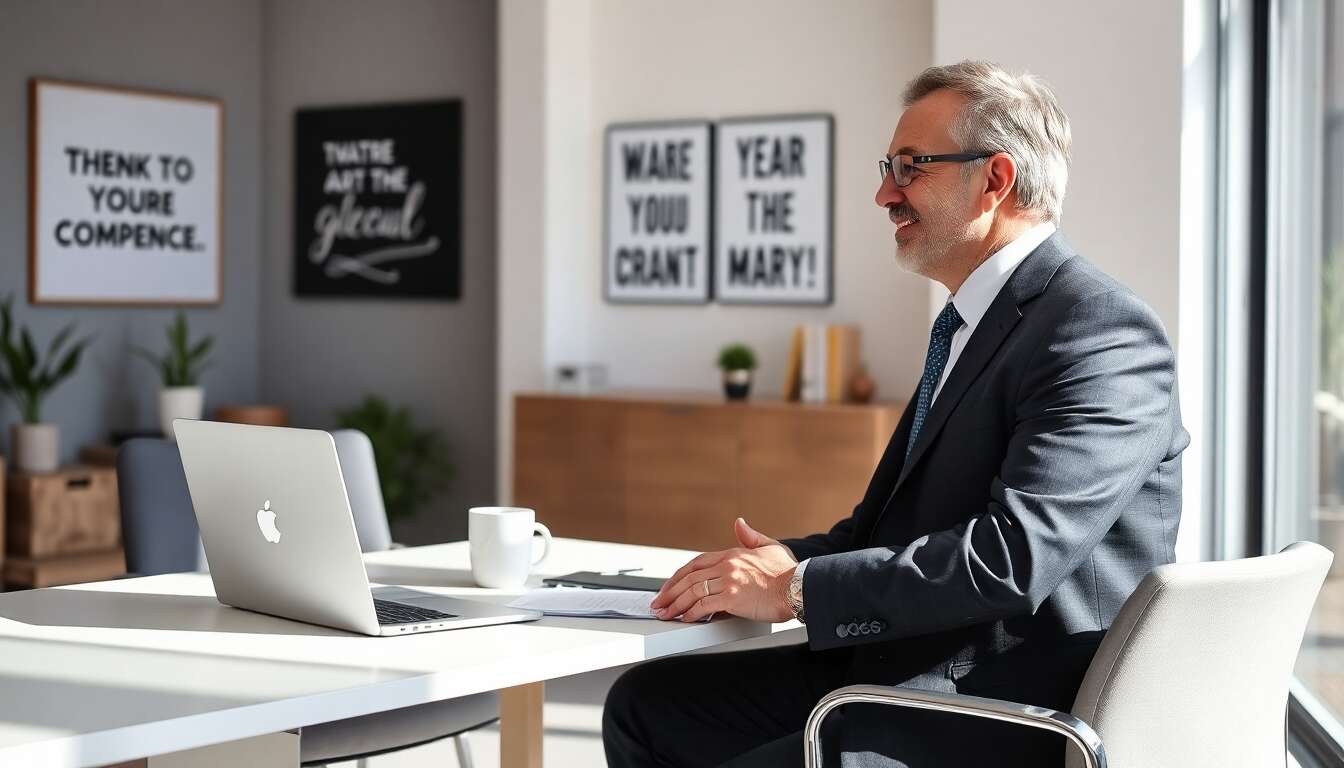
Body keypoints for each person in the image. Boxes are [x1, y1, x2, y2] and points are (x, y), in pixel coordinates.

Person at [601, 60, 1190, 767]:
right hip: (913, 669)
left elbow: (1011, 557)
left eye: (911, 168)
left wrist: (791, 590)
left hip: (1009, 705)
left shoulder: (1099, 329)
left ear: (995, 180)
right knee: (646, 707)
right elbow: (886, 531)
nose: (884, 193)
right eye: (889, 167)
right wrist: (784, 560)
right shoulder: (975, 324)